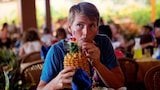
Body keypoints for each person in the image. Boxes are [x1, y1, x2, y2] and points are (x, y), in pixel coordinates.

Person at [37, 2, 124, 90]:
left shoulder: (103, 43)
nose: (86, 32)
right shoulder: (57, 50)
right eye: (79, 25)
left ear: (97, 28)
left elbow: (119, 84)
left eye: (92, 25)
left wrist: (97, 63)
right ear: (70, 28)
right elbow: (40, 88)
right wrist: (54, 84)